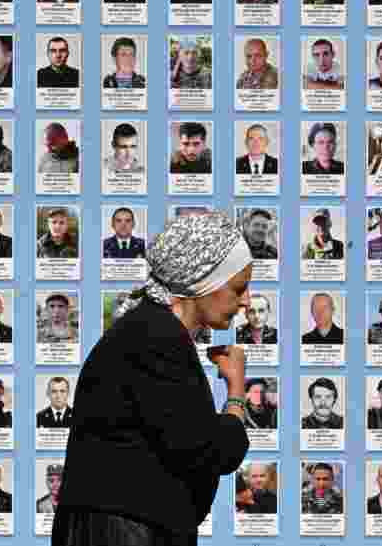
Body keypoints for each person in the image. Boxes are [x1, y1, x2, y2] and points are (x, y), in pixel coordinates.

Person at [52, 211, 252, 546]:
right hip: (124, 532)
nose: (245, 300)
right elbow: (209, 451)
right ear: (201, 282)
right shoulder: (157, 338)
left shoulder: (147, 331)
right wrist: (235, 392)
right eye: (238, 288)